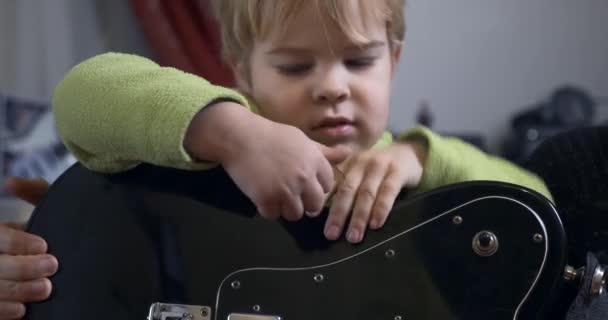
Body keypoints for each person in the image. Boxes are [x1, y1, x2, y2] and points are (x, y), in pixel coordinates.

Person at [0, 0, 552, 318]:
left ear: (395, 60)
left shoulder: (415, 171)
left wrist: (419, 154)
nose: (333, 87)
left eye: (360, 62)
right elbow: (83, 93)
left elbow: (539, 211)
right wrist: (234, 133)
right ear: (243, 70)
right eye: (293, 67)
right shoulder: (225, 141)